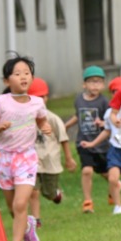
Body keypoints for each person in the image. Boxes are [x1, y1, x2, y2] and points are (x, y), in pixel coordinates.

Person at [0, 55, 53, 241]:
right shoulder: (0, 101)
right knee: (13, 207)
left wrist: (44, 127)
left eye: (27, 73)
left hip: (26, 157)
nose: (23, 77)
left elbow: (41, 119)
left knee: (21, 202)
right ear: (7, 81)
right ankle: (28, 226)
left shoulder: (37, 102)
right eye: (17, 74)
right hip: (3, 158)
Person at [28, 77, 77, 225]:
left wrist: (69, 158)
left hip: (50, 161)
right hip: (32, 161)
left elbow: (63, 139)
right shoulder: (26, 118)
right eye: (36, 97)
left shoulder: (53, 119)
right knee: (33, 191)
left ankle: (55, 194)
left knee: (48, 193)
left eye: (43, 96)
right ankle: (36, 219)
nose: (41, 100)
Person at [80, 76, 121, 215]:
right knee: (112, 178)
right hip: (115, 150)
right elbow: (107, 131)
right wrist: (92, 143)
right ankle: (118, 205)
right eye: (114, 91)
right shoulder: (110, 113)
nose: (118, 94)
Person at [65, 66, 110, 213]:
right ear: (84, 84)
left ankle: (114, 188)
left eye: (98, 82)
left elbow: (109, 122)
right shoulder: (79, 99)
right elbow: (78, 116)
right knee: (87, 171)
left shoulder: (104, 102)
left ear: (103, 84)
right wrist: (65, 126)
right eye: (91, 82)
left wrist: (101, 123)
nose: (95, 85)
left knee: (107, 174)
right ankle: (88, 201)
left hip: (101, 145)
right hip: (83, 143)